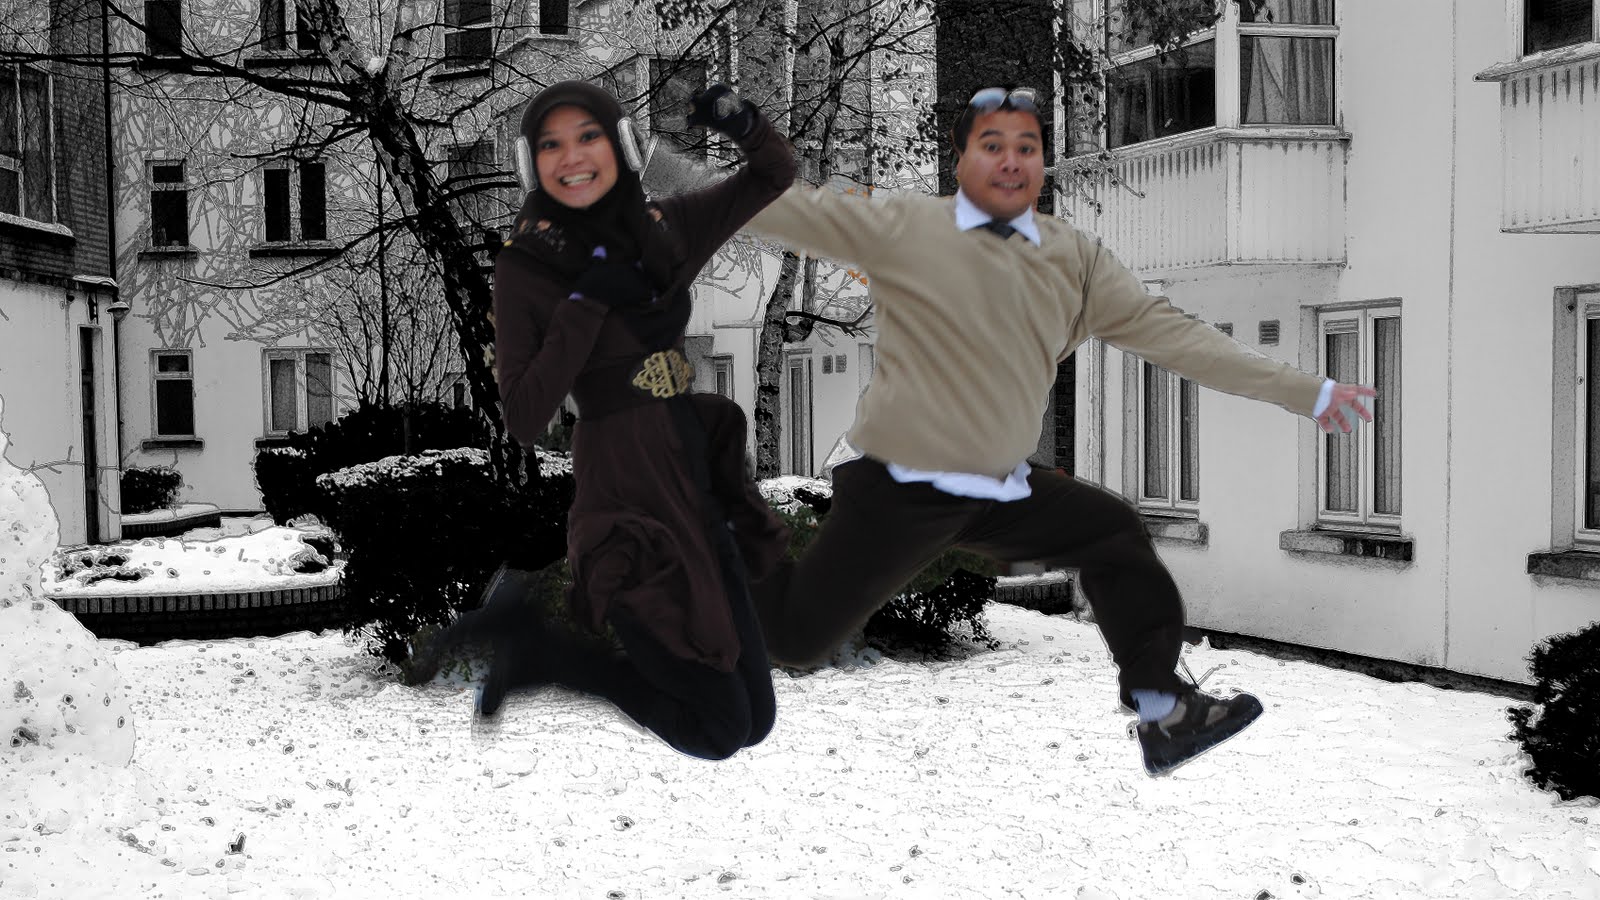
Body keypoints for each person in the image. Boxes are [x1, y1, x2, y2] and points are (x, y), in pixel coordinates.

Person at [744, 85, 1377, 776]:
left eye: (1027, 148)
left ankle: (1164, 708)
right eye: (992, 146)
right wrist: (662, 183)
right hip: (898, 485)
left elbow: (1179, 338)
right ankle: (720, 526)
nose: (1011, 161)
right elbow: (776, 211)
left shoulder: (1075, 261)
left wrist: (1304, 390)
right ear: (960, 162)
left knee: (1111, 532)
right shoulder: (906, 228)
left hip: (995, 487)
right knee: (795, 639)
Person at [417, 80, 797, 762]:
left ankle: (535, 648)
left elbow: (774, 174)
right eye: (551, 144)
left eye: (588, 136)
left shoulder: (661, 231)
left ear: (620, 145)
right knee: (718, 728)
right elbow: (525, 414)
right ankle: (546, 655)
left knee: (756, 719)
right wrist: (586, 300)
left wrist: (741, 122)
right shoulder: (526, 269)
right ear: (532, 163)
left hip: (691, 470)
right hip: (627, 492)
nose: (572, 156)